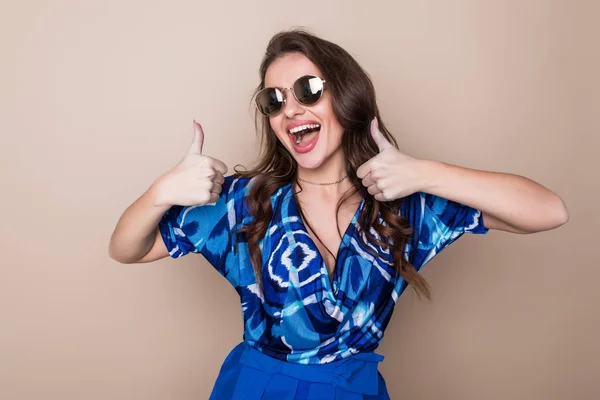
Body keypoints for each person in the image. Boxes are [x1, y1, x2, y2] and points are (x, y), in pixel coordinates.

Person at [108, 29, 569, 399]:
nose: (290, 110)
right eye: (274, 100)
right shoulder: (245, 202)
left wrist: (425, 172)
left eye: (307, 90)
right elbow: (128, 248)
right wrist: (160, 192)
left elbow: (549, 210)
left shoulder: (405, 203)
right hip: (259, 389)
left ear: (345, 96)